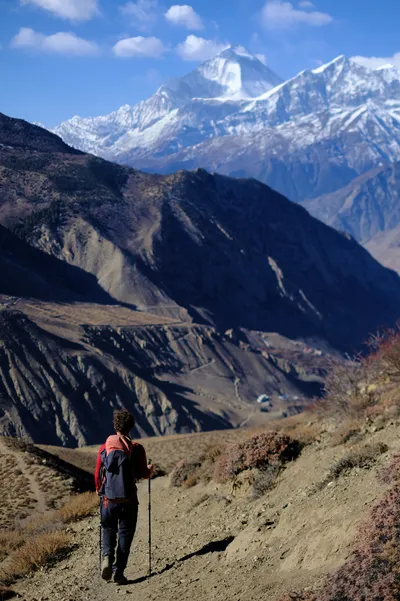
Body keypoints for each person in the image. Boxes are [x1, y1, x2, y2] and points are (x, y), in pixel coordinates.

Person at [94, 409, 153, 585]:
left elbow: (98, 473)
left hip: (108, 500)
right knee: (126, 534)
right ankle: (119, 572)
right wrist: (150, 469)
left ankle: (106, 559)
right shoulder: (137, 449)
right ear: (131, 427)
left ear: (115, 426)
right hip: (129, 500)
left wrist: (99, 489)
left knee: (108, 529)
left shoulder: (105, 448)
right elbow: (143, 473)